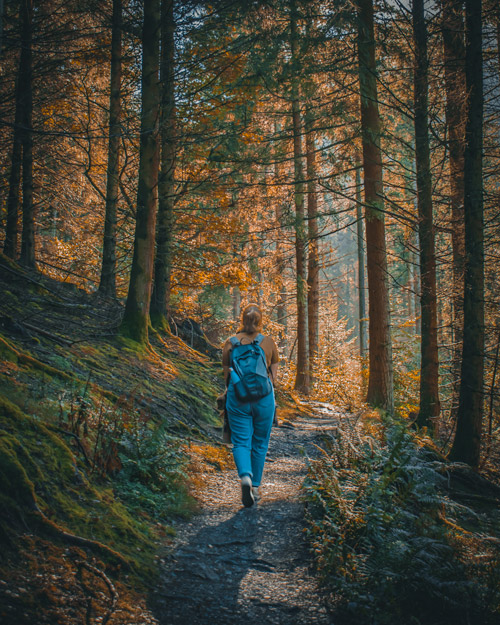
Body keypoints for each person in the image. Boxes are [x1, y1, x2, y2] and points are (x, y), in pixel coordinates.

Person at [222, 303, 279, 508]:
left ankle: (244, 476)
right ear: (260, 321)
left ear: (242, 320)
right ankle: (255, 487)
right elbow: (273, 378)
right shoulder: (269, 342)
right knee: (260, 442)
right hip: (264, 398)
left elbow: (227, 376)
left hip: (238, 397)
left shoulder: (231, 343)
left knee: (241, 442)